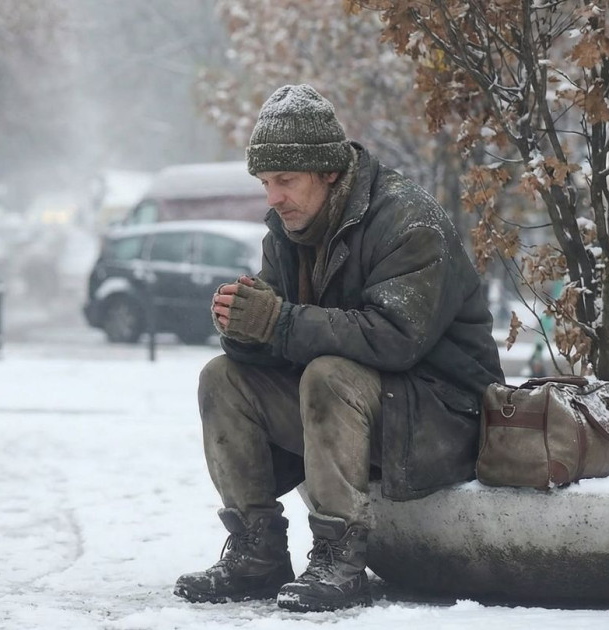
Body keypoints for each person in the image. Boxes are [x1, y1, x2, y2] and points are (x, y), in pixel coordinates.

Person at [172, 84, 504, 612]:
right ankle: (256, 551)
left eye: (285, 180)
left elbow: (394, 338)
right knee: (222, 376)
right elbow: (279, 339)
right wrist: (244, 330)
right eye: (265, 182)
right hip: (358, 409)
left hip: (445, 417)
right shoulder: (287, 230)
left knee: (329, 373)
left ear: (329, 171)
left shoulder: (407, 220)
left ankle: (338, 558)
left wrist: (277, 322)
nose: (272, 197)